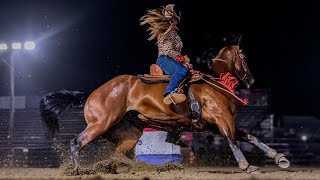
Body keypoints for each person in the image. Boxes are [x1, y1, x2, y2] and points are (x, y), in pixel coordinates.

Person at [140, 4, 190, 105]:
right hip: (164, 59)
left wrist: (182, 58)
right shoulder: (166, 30)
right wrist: (181, 59)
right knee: (182, 70)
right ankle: (169, 92)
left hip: (170, 59)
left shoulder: (173, 31)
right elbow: (168, 50)